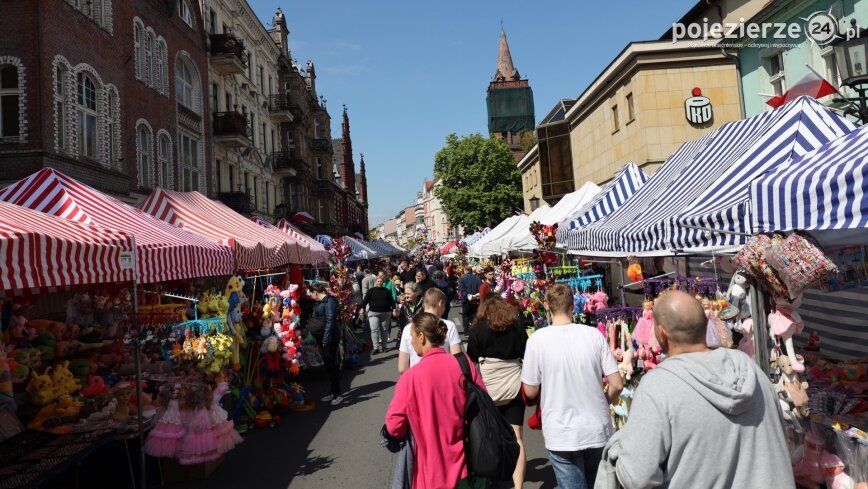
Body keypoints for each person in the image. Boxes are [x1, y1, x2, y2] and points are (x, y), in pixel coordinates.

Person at [601, 291, 795, 489]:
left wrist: (618, 448)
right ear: (706, 326)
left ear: (661, 333)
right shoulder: (752, 370)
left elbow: (637, 478)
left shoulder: (658, 386)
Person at [521, 283, 623, 489]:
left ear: (547, 306)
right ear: (573, 306)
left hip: (561, 430)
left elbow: (530, 390)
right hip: (596, 426)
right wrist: (603, 401)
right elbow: (617, 384)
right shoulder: (593, 335)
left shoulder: (537, 340)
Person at [385, 312, 484, 489]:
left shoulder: (410, 378)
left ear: (421, 337)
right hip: (470, 462)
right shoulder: (464, 364)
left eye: (412, 337)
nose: (411, 342)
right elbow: (483, 401)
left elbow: (394, 425)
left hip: (431, 472)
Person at [467, 295, 528, 488]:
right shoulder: (516, 327)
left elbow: (471, 359)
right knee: (517, 436)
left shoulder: (477, 330)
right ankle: (518, 486)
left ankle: (493, 477)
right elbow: (526, 352)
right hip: (514, 386)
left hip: (488, 388)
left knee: (490, 434)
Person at [398, 288, 462, 374]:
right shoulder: (448, 326)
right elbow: (457, 357)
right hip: (443, 376)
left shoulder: (409, 328)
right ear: (440, 303)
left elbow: (402, 367)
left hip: (418, 377)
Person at [308, 283, 345, 406]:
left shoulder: (329, 302)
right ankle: (332, 391)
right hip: (322, 338)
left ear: (316, 292)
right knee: (328, 364)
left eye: (311, 293)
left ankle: (337, 394)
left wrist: (325, 339)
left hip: (330, 339)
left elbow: (330, 320)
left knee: (332, 364)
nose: (310, 296)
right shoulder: (319, 303)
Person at [362, 275, 395, 354]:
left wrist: (394, 309)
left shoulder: (387, 291)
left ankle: (384, 347)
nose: (380, 283)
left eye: (381, 281)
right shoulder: (371, 291)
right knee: (374, 330)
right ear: (376, 282)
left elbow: (392, 301)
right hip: (373, 313)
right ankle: (376, 347)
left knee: (384, 330)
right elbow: (365, 300)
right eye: (378, 281)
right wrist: (362, 309)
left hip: (385, 313)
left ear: (383, 283)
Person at [394, 282, 423, 349]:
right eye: (405, 293)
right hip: (409, 338)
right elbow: (400, 324)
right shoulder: (404, 306)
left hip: (421, 337)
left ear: (416, 293)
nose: (406, 296)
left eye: (408, 294)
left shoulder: (424, 304)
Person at [458, 265, 482, 333]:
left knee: (465, 316)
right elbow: (480, 290)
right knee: (474, 315)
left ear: (465, 271)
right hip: (476, 300)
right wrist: (474, 296)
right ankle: (474, 330)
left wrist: (468, 296)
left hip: (466, 300)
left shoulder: (462, 278)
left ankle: (466, 331)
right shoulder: (478, 278)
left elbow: (462, 290)